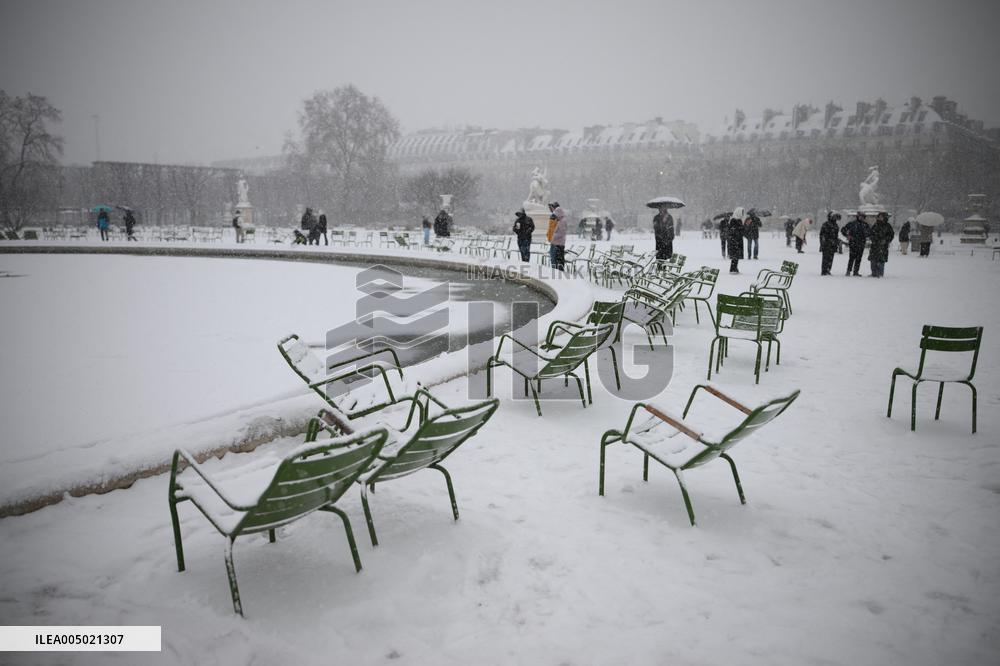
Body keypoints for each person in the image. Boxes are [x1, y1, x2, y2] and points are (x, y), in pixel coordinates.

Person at [868, 211, 895, 278]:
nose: (880, 218)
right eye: (879, 217)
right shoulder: (875, 225)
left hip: (883, 246)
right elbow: (871, 233)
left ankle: (880, 274)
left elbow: (891, 235)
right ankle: (873, 273)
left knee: (881, 261)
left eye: (881, 217)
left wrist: (886, 240)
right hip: (874, 245)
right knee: (873, 261)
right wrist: (873, 239)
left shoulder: (888, 226)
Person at [819, 211, 841, 275]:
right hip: (826, 244)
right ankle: (824, 271)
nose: (834, 218)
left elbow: (836, 235)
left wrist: (836, 242)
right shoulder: (826, 224)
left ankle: (828, 269)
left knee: (831, 258)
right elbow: (822, 235)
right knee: (825, 258)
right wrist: (823, 243)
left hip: (833, 244)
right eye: (833, 217)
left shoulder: (836, 225)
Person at [547, 203, 567, 270]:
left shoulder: (562, 221)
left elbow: (560, 233)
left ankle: (558, 274)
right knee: (555, 260)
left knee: (556, 260)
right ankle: (556, 272)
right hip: (557, 243)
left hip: (558, 244)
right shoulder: (560, 220)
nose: (555, 216)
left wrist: (552, 238)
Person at [726, 207, 745, 273]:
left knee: (736, 256)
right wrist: (740, 229)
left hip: (737, 240)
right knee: (735, 256)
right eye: (741, 212)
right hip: (734, 241)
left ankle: (735, 268)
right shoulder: (733, 220)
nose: (742, 214)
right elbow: (733, 231)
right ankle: (733, 268)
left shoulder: (739, 220)